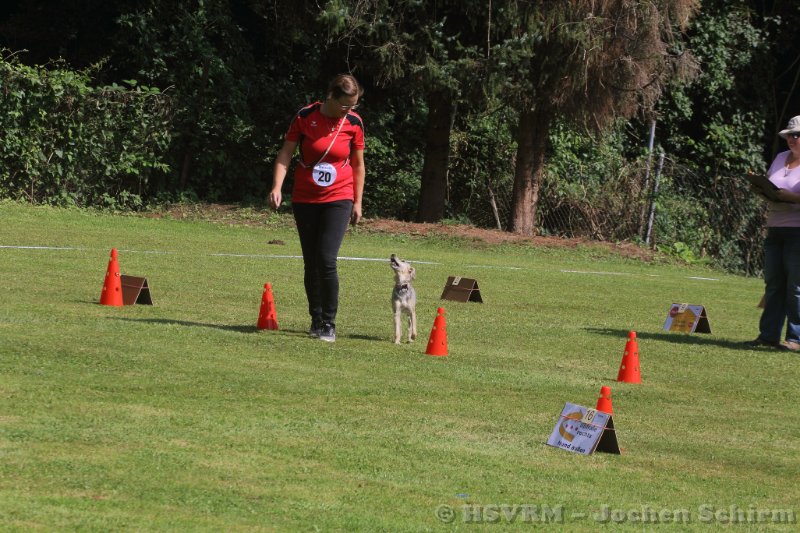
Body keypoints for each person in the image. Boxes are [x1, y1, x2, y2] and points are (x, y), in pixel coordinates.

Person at [269, 74, 365, 343]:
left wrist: (357, 201)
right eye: (345, 105)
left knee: (326, 259)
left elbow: (358, 164)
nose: (349, 110)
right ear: (330, 96)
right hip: (305, 198)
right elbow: (286, 153)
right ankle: (316, 318)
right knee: (311, 262)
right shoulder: (305, 116)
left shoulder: (354, 122)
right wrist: (277, 187)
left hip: (339, 197)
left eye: (354, 105)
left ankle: (329, 323)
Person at [750, 115, 800, 351]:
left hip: (798, 231)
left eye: (797, 135)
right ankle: (768, 336)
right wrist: (761, 189)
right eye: (790, 135)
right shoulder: (781, 158)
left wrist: (791, 198)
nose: (792, 138)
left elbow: (789, 194)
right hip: (775, 227)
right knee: (773, 283)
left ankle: (795, 339)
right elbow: (772, 185)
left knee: (795, 287)